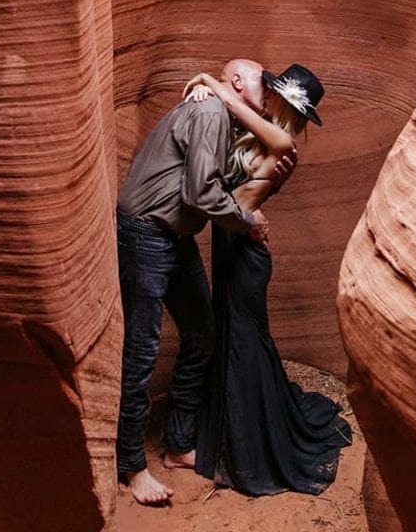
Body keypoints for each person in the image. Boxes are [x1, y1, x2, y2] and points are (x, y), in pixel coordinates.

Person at [114, 58, 296, 506]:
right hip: (146, 234)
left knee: (201, 334)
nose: (268, 94)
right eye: (262, 85)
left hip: (174, 237)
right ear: (236, 83)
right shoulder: (212, 113)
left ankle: (177, 445)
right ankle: (132, 465)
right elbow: (200, 193)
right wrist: (247, 220)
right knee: (142, 348)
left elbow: (218, 180)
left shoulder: (223, 114)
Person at [183, 64, 353, 497]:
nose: (268, 97)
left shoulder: (282, 143)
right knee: (234, 337)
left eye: (275, 95)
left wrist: (212, 85)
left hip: (245, 259)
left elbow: (253, 140)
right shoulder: (259, 140)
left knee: (243, 343)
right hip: (232, 247)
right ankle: (231, 432)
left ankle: (248, 452)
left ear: (284, 104)